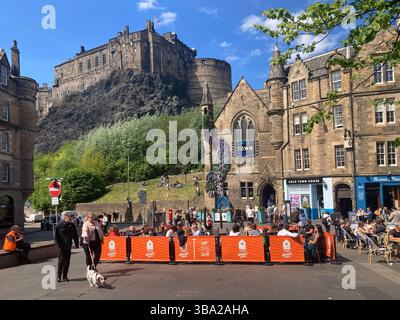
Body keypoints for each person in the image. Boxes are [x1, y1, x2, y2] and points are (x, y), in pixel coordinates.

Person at [54, 213, 79, 282]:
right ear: (65, 217)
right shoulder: (59, 225)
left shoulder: (72, 225)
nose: (71, 220)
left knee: (67, 262)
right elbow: (56, 238)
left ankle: (65, 276)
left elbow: (75, 235)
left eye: (71, 218)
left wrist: (77, 244)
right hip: (61, 247)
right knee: (61, 261)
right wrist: (58, 247)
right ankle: (59, 276)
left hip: (68, 246)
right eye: (70, 218)